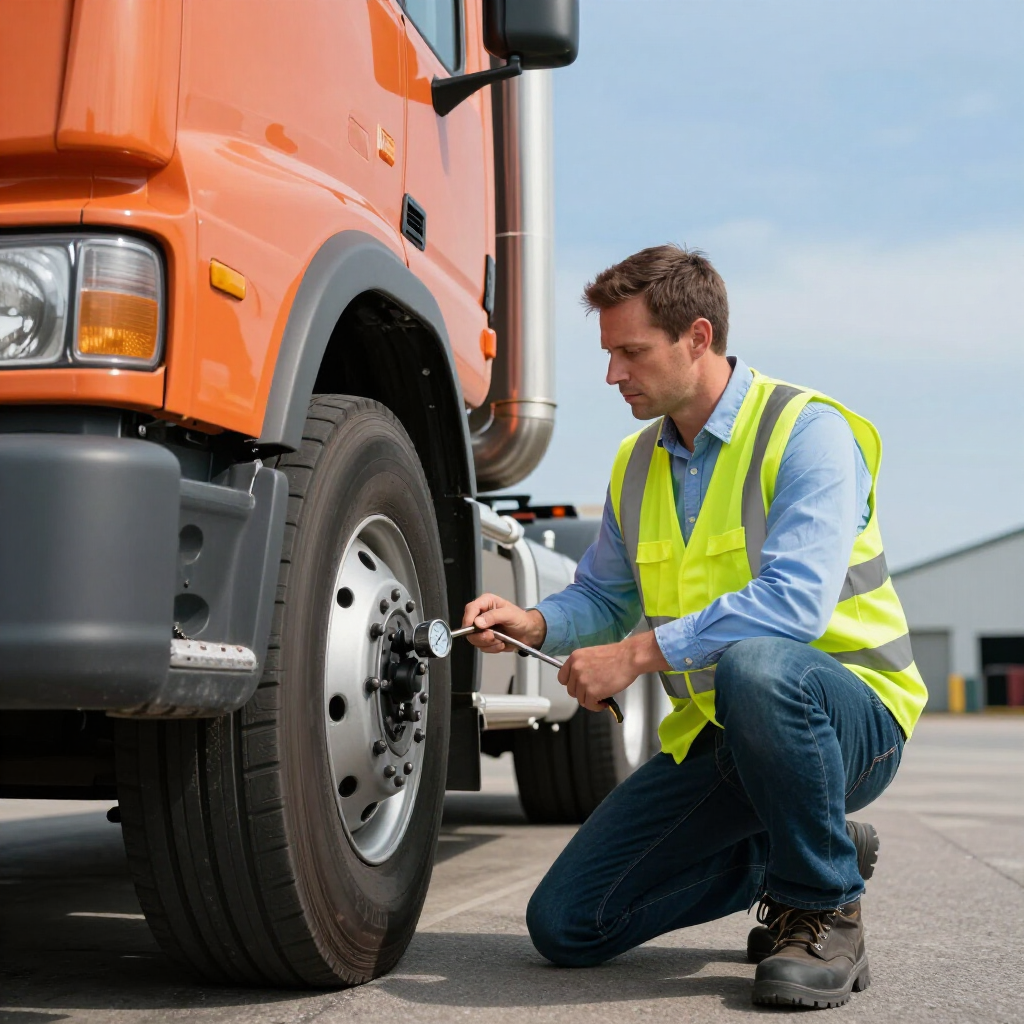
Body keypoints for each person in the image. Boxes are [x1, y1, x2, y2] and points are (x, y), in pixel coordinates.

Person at [462, 245, 926, 1010]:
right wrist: (538, 620)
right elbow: (605, 598)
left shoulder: (808, 432)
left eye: (631, 352)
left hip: (851, 720)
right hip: (726, 736)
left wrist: (637, 656)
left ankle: (822, 905)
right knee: (566, 924)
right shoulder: (635, 463)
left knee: (758, 666)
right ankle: (806, 847)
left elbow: (797, 603)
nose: (614, 374)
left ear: (699, 337)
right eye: (609, 352)